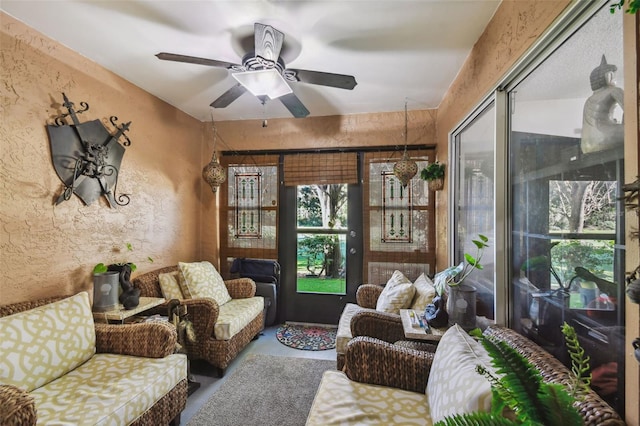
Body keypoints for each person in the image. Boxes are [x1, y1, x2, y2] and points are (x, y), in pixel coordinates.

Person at [581, 55, 624, 154]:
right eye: (612, 75)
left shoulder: (588, 100)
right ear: (608, 76)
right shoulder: (614, 90)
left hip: (586, 146)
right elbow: (632, 109)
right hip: (605, 138)